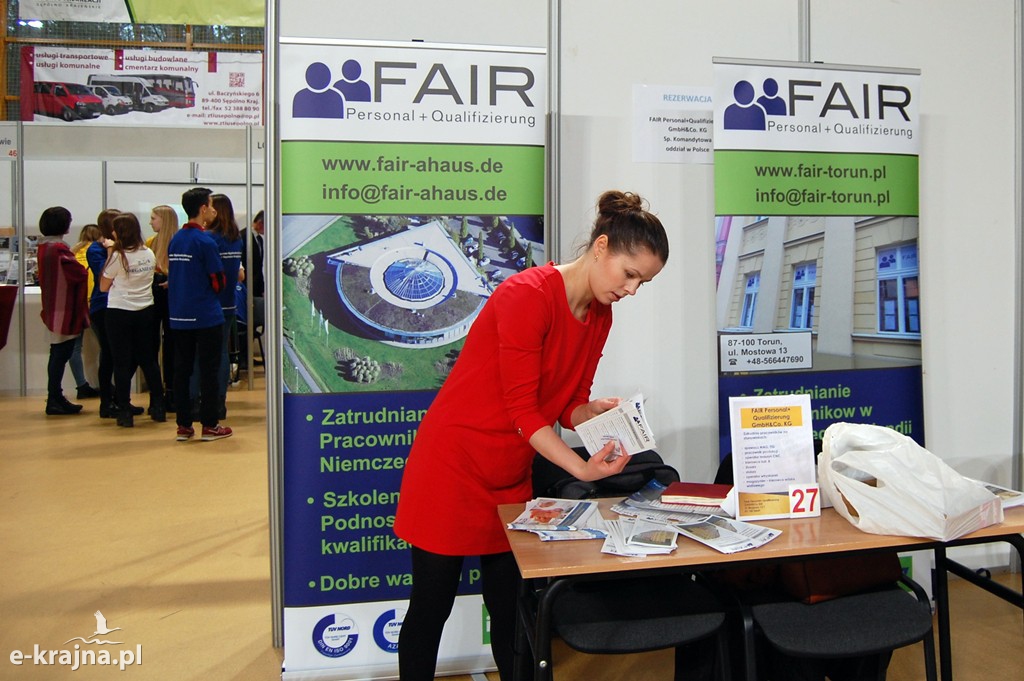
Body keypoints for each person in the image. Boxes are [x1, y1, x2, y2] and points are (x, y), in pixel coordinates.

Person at [393, 190, 669, 680]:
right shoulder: (528, 294)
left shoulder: (600, 314)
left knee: (511, 608)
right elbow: (521, 408)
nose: (632, 290)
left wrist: (596, 412)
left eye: (643, 282)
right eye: (630, 274)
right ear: (601, 246)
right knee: (430, 606)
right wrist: (581, 467)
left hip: (509, 468)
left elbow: (566, 403)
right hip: (452, 464)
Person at [167, 186, 232, 442]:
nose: (214, 210)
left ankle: (183, 425)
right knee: (209, 370)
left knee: (182, 370)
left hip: (180, 316)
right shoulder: (205, 241)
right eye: (211, 205)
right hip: (206, 316)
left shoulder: (176, 240)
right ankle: (210, 424)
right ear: (203, 209)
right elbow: (217, 280)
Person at [100, 212, 166, 427]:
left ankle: (125, 410)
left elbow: (103, 286)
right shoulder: (148, 253)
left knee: (121, 362)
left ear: (119, 232)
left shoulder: (118, 256)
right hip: (146, 310)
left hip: (119, 312)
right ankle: (158, 405)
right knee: (149, 360)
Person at [190, 193, 243, 419]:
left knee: (199, 356)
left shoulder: (209, 239)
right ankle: (220, 402)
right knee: (221, 353)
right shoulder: (235, 238)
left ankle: (197, 403)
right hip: (229, 302)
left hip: (209, 305)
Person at [87, 208, 142, 418]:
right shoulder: (96, 250)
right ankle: (106, 402)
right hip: (104, 306)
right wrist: (112, 252)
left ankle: (120, 396)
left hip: (125, 305)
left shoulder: (128, 249)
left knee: (133, 354)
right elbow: (104, 278)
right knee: (109, 355)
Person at [37, 206, 91, 415]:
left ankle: (56, 396)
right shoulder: (58, 248)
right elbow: (78, 273)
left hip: (54, 307)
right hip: (63, 309)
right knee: (60, 354)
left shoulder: (45, 247)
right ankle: (54, 398)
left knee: (59, 354)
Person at [147, 205, 179, 412]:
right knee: (151, 345)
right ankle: (157, 394)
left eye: (153, 218)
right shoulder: (150, 243)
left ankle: (172, 392)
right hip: (153, 295)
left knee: (172, 345)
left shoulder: (177, 242)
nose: (150, 222)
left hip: (172, 296)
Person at [69, 223, 102, 399]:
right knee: (106, 345)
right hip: (96, 302)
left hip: (77, 303)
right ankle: (106, 383)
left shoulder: (73, 252)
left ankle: (81, 384)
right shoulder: (99, 251)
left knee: (75, 347)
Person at [238, 209, 265, 371]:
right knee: (244, 324)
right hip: (243, 289)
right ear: (260, 223)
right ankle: (243, 359)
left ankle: (247, 357)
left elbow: (258, 269)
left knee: (252, 324)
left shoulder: (259, 240)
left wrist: (261, 290)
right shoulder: (243, 238)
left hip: (254, 289)